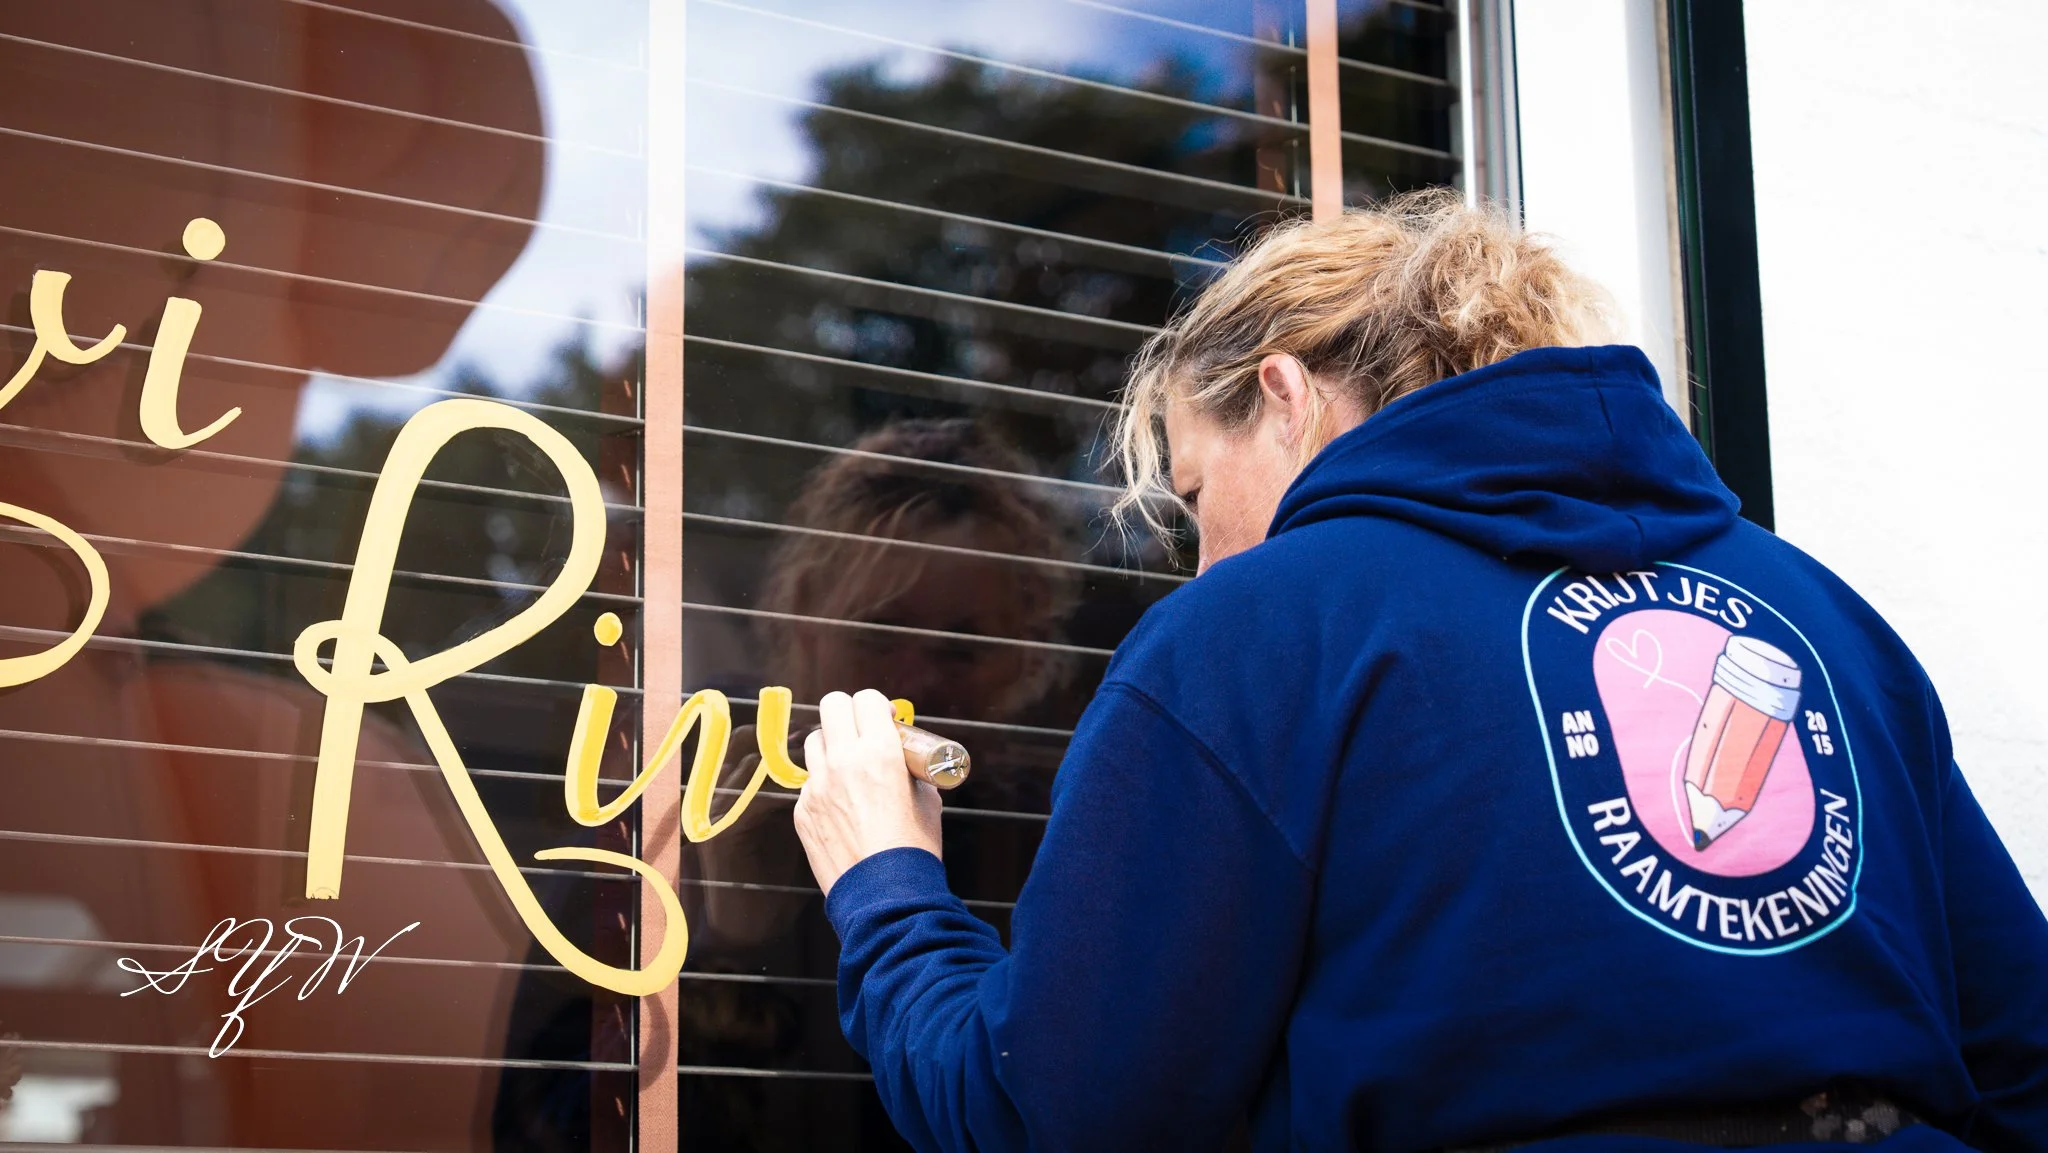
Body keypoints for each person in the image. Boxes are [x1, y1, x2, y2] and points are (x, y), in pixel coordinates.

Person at [786, 190, 2048, 1151]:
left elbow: (1051, 1111)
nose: (1203, 556)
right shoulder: (1817, 615)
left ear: (1281, 395)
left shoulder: (1258, 630)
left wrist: (884, 885)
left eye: (1192, 491)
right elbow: (2022, 1056)